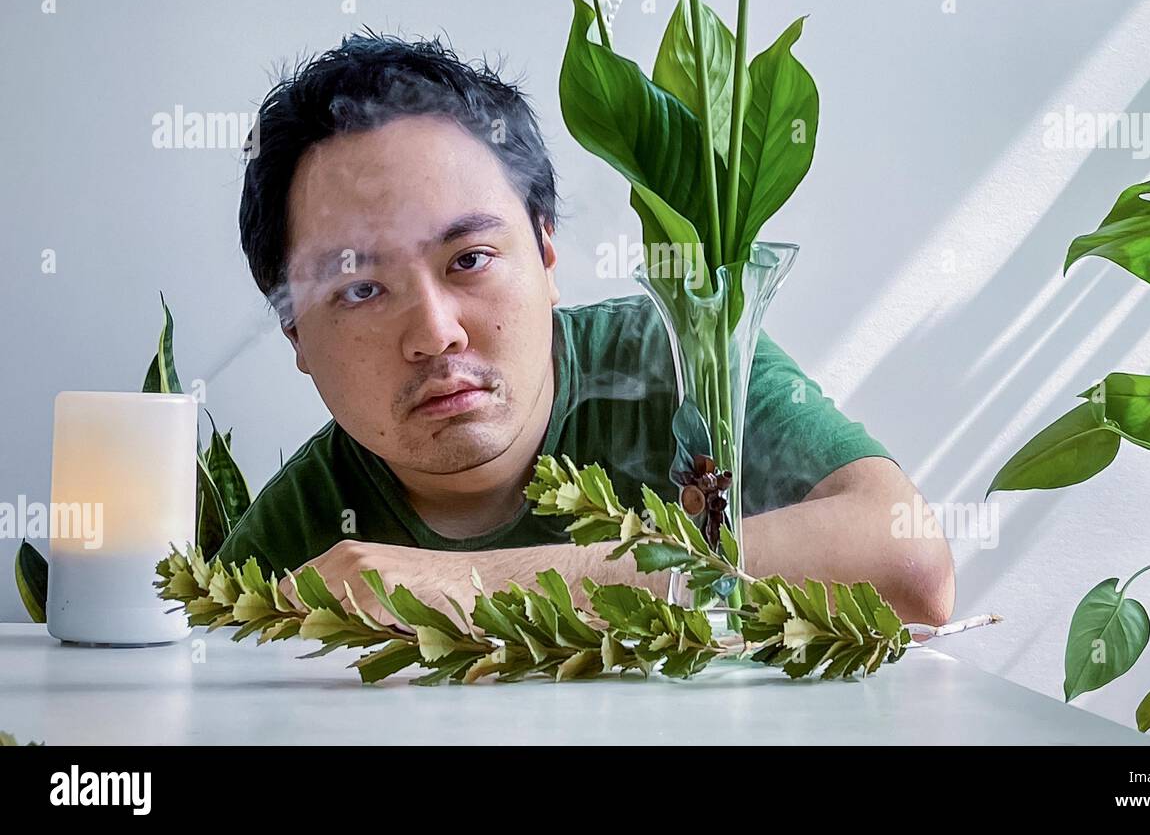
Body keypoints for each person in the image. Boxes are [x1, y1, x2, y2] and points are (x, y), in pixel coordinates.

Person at [217, 31, 955, 627]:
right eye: (362, 288)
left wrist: (478, 586)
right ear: (295, 335)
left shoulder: (685, 360)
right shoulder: (292, 548)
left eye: (469, 259)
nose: (435, 333)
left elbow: (910, 565)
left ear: (544, 252)